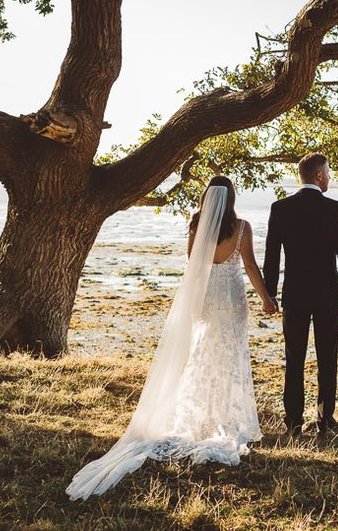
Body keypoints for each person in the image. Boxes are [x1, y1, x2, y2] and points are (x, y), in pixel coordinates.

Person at [67, 176, 278, 500]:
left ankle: (204, 419)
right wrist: (266, 298)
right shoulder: (242, 227)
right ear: (231, 198)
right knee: (231, 357)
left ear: (207, 198)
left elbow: (193, 266)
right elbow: (249, 265)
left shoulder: (196, 224)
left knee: (203, 355)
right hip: (233, 300)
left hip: (206, 298)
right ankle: (222, 421)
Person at [263, 153, 338, 435]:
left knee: (294, 359)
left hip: (294, 294)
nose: (329, 177)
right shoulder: (335, 209)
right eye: (328, 173)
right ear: (319, 176)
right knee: (327, 359)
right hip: (327, 296)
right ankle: (324, 420)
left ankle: (292, 423)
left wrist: (270, 294)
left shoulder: (280, 208)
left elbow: (272, 256)